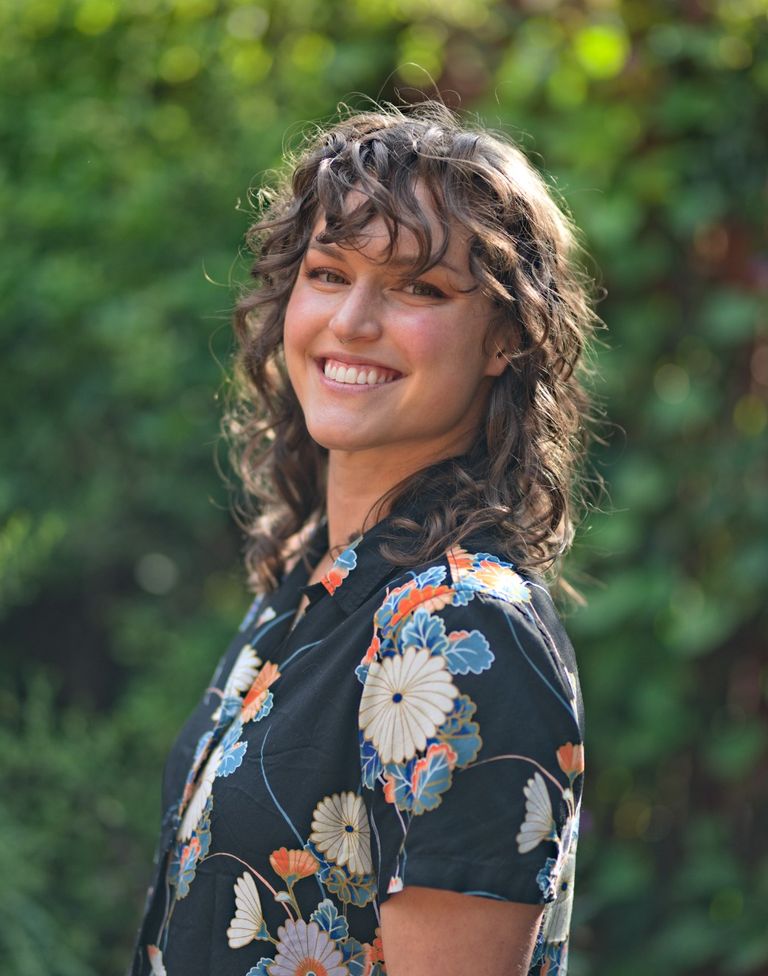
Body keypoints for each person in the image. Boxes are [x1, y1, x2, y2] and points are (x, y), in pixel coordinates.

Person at [130, 101, 596, 976]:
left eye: (419, 287)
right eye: (329, 272)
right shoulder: (314, 583)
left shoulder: (460, 626)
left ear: (504, 336)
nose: (351, 322)